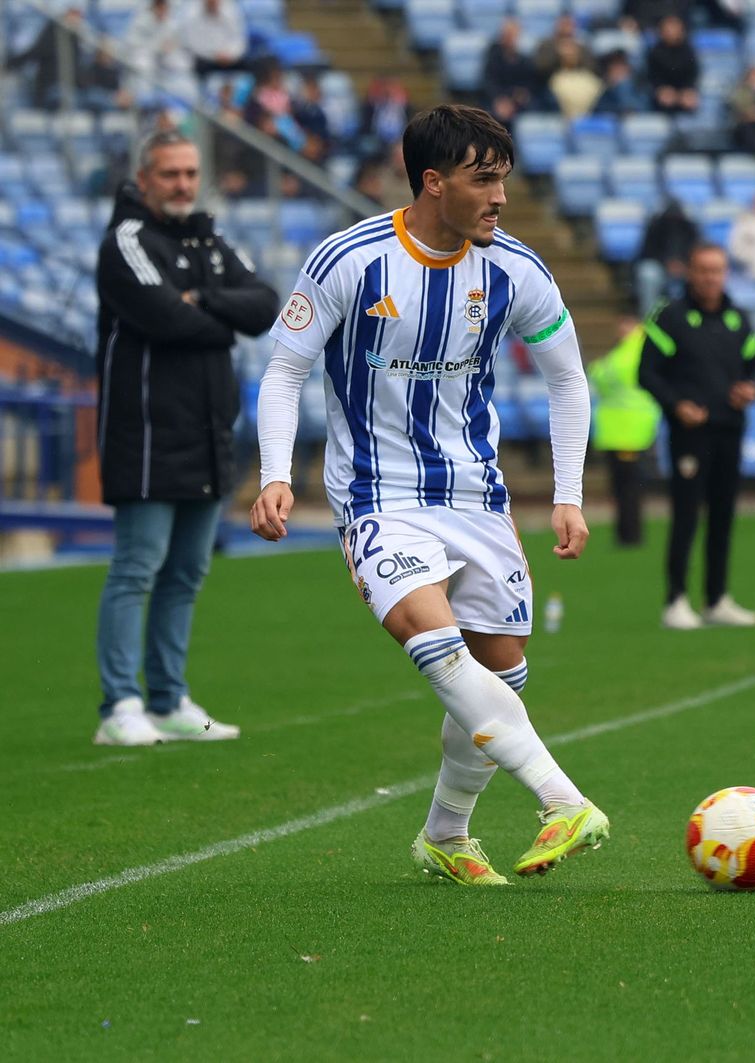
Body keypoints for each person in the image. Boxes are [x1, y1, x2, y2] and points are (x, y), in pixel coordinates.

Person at [249, 105, 609, 886]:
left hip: (476, 496)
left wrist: (569, 493)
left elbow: (567, 379)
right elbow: (284, 371)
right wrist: (277, 471)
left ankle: (446, 834)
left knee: (501, 671)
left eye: (504, 180)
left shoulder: (517, 270)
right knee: (438, 650)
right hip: (377, 494)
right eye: (484, 180)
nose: (500, 197)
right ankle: (562, 798)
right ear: (433, 182)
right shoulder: (350, 260)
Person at [92, 130, 278, 746]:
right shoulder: (127, 239)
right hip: (145, 435)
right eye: (170, 173)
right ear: (143, 177)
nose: (182, 184)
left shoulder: (210, 241)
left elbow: (264, 306)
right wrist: (215, 318)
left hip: (207, 433)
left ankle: (168, 699)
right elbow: (165, 317)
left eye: (190, 172)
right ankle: (120, 704)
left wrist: (204, 300)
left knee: (186, 573)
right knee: (136, 568)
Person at [637, 244, 755, 630]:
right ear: (690, 272)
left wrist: (750, 388)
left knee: (723, 516)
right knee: (687, 516)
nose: (711, 278)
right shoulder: (671, 317)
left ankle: (716, 598)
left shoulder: (737, 318)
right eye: (704, 270)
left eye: (718, 270)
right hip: (689, 434)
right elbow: (647, 373)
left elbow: (754, 362)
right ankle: (675, 600)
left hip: (729, 429)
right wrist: (678, 405)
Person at [589, 316, 662, 545]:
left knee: (628, 487)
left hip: (627, 429)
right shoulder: (631, 350)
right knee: (624, 486)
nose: (619, 329)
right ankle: (626, 533)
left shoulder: (633, 351)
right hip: (623, 429)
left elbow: (604, 374)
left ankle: (630, 536)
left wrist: (599, 370)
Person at [124, 0, 198, 103]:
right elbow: (133, 44)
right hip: (146, 57)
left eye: (165, 8)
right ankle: (144, 98)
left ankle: (186, 97)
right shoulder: (141, 21)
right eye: (160, 8)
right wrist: (158, 47)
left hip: (164, 59)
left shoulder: (171, 23)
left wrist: (171, 46)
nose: (163, 11)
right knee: (142, 63)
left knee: (183, 62)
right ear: (154, 8)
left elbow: (178, 42)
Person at [637, 198, 700, 311]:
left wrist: (684, 264)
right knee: (648, 274)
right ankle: (649, 318)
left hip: (685, 268)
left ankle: (691, 317)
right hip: (660, 267)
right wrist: (666, 262)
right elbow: (647, 252)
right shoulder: (655, 226)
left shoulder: (690, 227)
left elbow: (697, 251)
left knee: (702, 274)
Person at [482, 18, 539, 124]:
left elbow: (529, 83)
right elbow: (489, 82)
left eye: (514, 34)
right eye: (507, 34)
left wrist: (520, 96)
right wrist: (500, 99)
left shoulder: (524, 60)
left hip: (518, 101)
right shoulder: (493, 56)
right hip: (497, 98)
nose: (511, 38)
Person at [646, 15, 700, 114]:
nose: (671, 31)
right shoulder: (654, 52)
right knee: (665, 98)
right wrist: (661, 88)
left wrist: (688, 89)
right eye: (668, 27)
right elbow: (652, 76)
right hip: (662, 90)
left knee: (690, 100)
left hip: (684, 88)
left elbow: (692, 74)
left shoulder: (688, 51)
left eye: (674, 27)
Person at [181, 0, 247, 76]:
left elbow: (239, 39)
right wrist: (214, 55)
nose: (214, 3)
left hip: (229, 57)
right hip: (206, 59)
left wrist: (231, 54)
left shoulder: (231, 11)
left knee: (246, 66)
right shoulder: (192, 15)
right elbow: (193, 45)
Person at [548, 38, 603, 118]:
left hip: (588, 121)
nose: (569, 55)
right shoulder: (554, 79)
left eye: (572, 51)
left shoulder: (590, 79)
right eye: (566, 52)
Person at [595, 51, 651, 116]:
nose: (618, 72)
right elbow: (600, 111)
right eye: (614, 68)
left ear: (628, 69)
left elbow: (645, 108)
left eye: (621, 67)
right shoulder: (605, 93)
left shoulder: (642, 88)